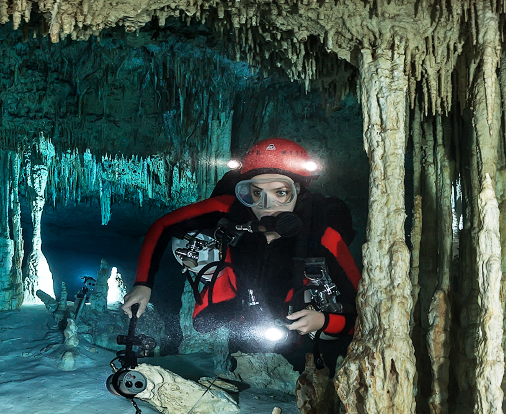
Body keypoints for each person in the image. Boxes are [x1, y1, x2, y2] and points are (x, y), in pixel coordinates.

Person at [121, 138, 360, 372]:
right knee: (186, 240)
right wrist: (143, 284)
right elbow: (162, 226)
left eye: (281, 192)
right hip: (239, 300)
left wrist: (323, 321)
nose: (267, 205)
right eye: (256, 193)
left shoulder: (323, 235)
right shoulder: (231, 209)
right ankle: (224, 295)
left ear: (297, 190)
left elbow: (364, 312)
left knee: (327, 334)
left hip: (295, 314)